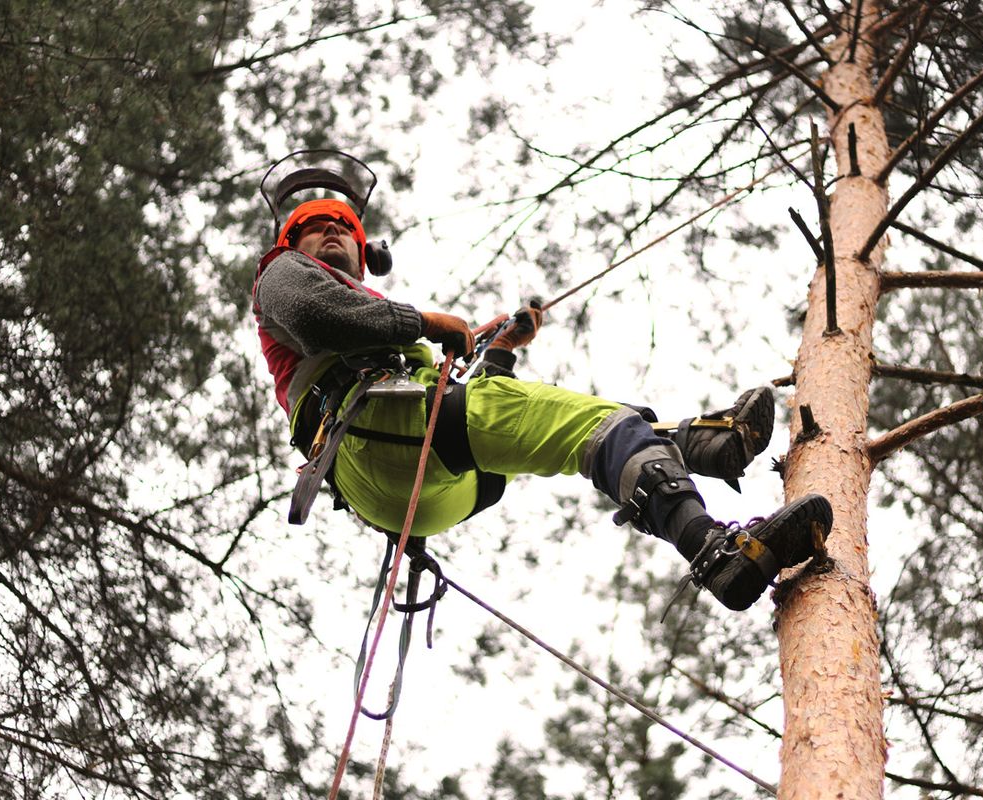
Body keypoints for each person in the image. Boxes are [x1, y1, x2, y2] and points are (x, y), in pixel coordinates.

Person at [252, 197, 832, 612]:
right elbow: (317, 314)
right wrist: (428, 322)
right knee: (598, 427)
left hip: (416, 490)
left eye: (342, 225)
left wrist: (497, 348)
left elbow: (466, 408)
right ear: (291, 244)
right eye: (312, 226)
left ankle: (702, 444)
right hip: (373, 436)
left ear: (363, 246)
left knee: (595, 424)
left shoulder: (377, 326)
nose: (329, 229)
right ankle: (714, 548)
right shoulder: (280, 276)